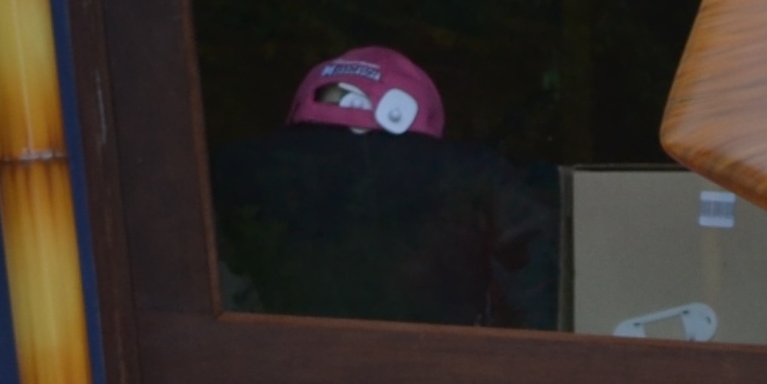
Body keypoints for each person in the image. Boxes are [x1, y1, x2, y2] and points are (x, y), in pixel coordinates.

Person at [211, 46, 562, 328]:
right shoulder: (477, 174)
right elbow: (532, 296)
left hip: (276, 381)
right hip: (438, 380)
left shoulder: (229, 168)